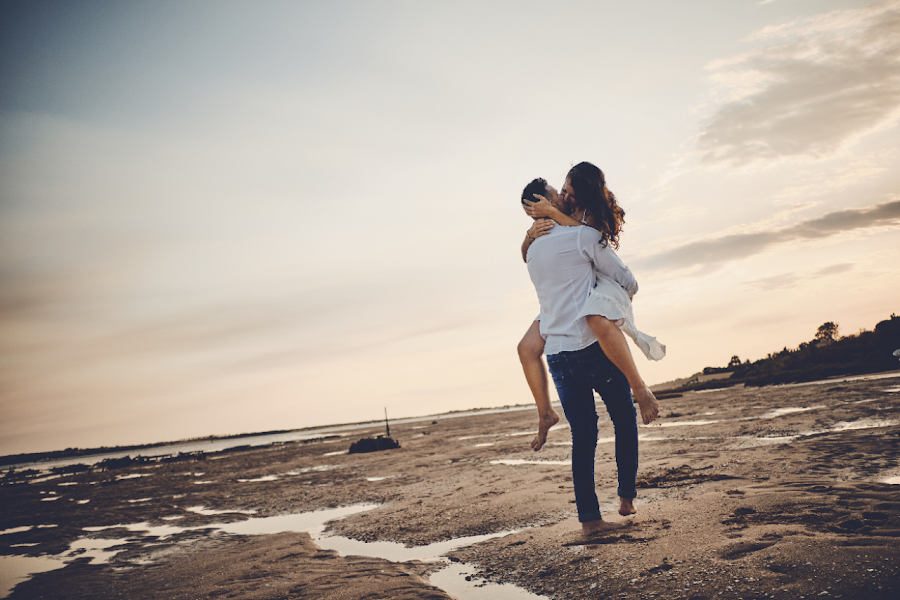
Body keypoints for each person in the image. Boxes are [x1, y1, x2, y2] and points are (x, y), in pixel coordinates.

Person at [520, 163, 661, 534]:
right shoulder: (584, 237)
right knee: (624, 417)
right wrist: (608, 294)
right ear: (544, 204)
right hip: (591, 348)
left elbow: (530, 252)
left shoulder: (532, 250)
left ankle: (590, 522)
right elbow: (627, 280)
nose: (562, 197)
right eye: (557, 194)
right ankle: (626, 497)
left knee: (583, 437)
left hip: (557, 356)